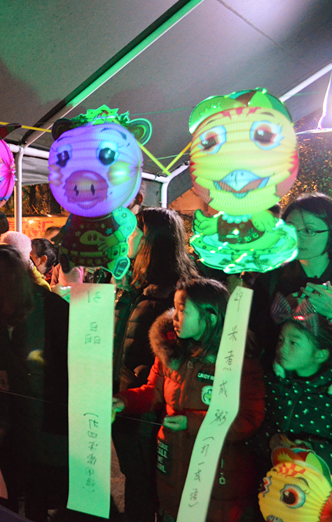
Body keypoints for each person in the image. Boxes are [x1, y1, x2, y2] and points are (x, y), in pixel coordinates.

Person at [114, 278, 265, 522]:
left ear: (210, 317)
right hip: (172, 466)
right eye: (175, 308)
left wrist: (191, 422)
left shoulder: (239, 361)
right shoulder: (170, 349)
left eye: (182, 310)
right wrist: (124, 401)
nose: (174, 316)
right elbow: (153, 391)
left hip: (217, 477)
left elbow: (248, 419)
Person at [0, 245, 71, 520]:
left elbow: (68, 365)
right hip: (16, 417)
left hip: (50, 416)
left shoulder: (50, 308)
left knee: (42, 491)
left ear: (3, 279)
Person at [112, 207, 198, 521]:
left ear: (152, 241)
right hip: (124, 398)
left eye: (135, 231)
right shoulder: (134, 286)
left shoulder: (176, 296)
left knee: (147, 482)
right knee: (134, 476)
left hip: (149, 408)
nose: (127, 237)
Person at [251, 193, 332, 365]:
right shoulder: (270, 278)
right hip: (278, 375)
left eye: (308, 230)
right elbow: (254, 335)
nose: (296, 237)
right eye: (290, 228)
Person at [251, 313, 332, 474]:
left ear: (320, 355)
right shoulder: (271, 383)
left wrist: (312, 451)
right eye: (281, 340)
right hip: (266, 479)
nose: (282, 348)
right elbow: (251, 428)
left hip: (312, 485)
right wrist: (271, 441)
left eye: (293, 342)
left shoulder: (327, 397)